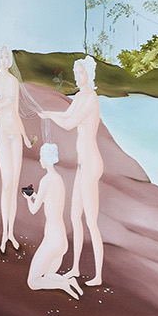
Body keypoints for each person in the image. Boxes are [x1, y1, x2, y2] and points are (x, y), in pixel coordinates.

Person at [39, 54, 108, 286]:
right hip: (82, 163)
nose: (78, 77)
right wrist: (49, 114)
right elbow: (67, 115)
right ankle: (76, 267)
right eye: (76, 73)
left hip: (90, 163)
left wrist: (52, 116)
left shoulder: (91, 98)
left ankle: (98, 275)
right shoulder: (80, 96)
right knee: (74, 216)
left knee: (90, 221)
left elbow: (69, 123)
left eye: (81, 73)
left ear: (90, 74)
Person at [0, 46, 36, 252]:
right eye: (2, 56)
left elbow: (16, 112)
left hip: (15, 132)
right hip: (2, 133)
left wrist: (25, 138)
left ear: (10, 60)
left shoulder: (14, 82)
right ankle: (3, 232)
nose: (5, 59)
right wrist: (1, 102)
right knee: (6, 184)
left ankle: (11, 233)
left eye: (8, 56)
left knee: (14, 184)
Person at [24, 143, 83, 299]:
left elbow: (33, 210)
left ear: (46, 158)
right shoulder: (58, 179)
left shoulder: (46, 180)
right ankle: (69, 280)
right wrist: (37, 197)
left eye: (41, 156)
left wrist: (29, 198)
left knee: (33, 282)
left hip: (52, 240)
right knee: (49, 274)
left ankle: (63, 284)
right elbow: (52, 202)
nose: (40, 159)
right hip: (61, 239)